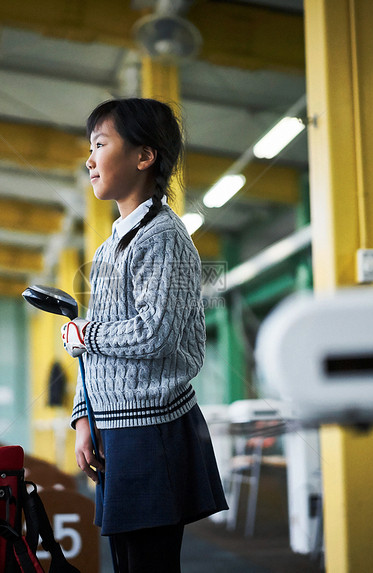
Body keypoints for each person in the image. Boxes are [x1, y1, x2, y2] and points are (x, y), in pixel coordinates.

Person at [60, 97, 227, 572]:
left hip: (152, 429)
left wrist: (85, 334)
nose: (89, 160)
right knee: (127, 563)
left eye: (100, 144)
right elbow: (88, 347)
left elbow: (155, 333)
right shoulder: (112, 243)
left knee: (149, 564)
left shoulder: (165, 238)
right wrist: (83, 418)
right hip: (115, 427)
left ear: (143, 156)